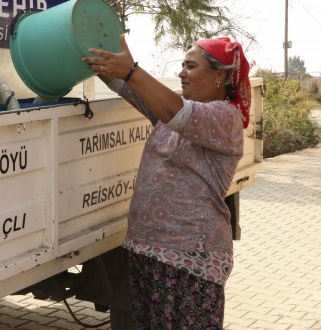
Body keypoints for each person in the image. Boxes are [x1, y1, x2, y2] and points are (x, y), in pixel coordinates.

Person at [83, 35, 251, 329]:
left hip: (189, 261)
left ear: (219, 76)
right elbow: (126, 86)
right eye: (181, 65)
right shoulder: (169, 113)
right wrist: (99, 54)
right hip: (147, 251)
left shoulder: (226, 118)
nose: (181, 72)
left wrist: (132, 70)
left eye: (190, 66)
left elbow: (176, 111)